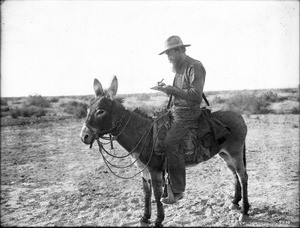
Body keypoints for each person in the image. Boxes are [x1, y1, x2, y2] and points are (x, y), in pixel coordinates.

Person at [157, 35, 208, 204]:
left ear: (181, 50)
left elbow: (195, 95)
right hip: (177, 111)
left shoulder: (194, 66)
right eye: (167, 55)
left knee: (170, 142)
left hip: (189, 113)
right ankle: (166, 186)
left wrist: (172, 90)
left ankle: (178, 190)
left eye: (170, 53)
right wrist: (167, 89)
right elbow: (179, 92)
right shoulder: (179, 68)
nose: (169, 58)